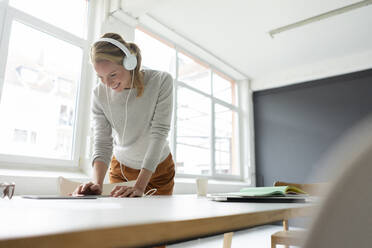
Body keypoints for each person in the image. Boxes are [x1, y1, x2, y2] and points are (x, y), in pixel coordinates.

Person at [73, 32, 175, 198]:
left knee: (156, 221)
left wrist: (139, 186)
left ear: (130, 64)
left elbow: (160, 132)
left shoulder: (161, 81)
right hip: (121, 168)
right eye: (101, 77)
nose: (107, 83)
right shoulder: (99, 94)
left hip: (158, 169)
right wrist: (96, 183)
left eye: (112, 74)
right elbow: (102, 141)